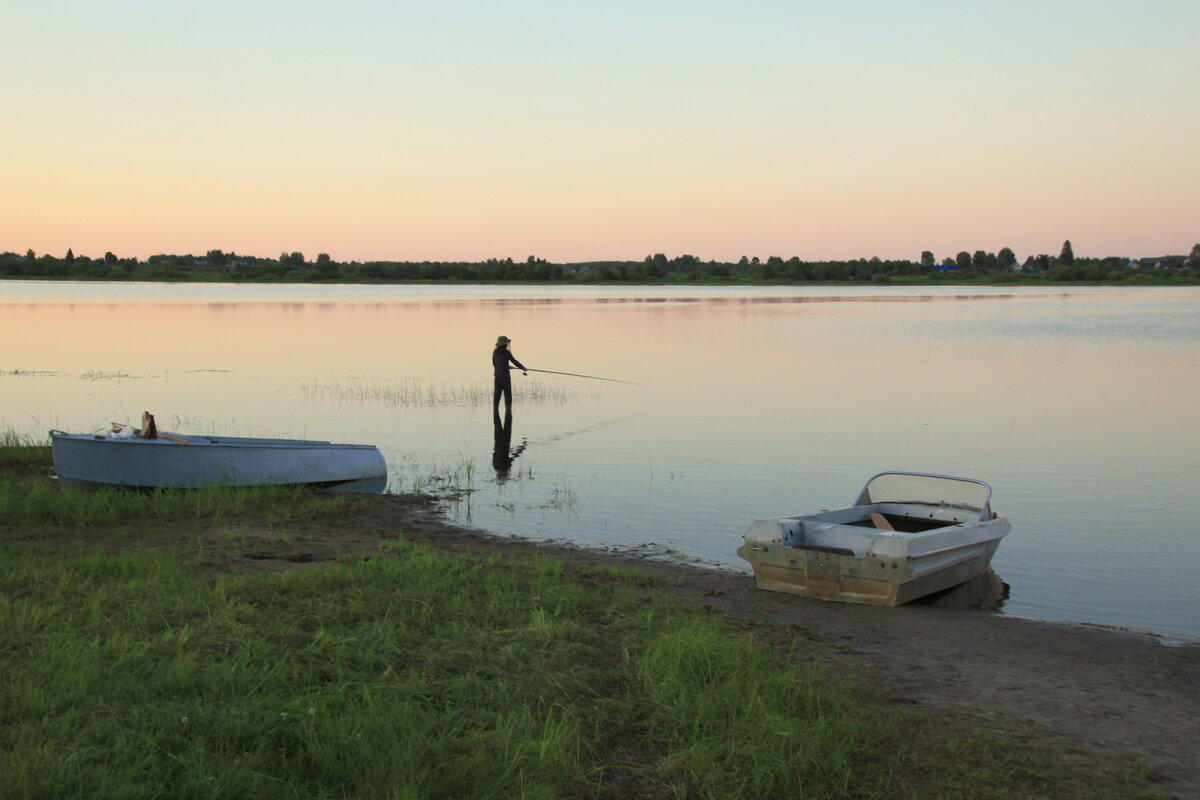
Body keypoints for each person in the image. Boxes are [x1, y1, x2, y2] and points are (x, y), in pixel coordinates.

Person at [492, 335, 526, 414]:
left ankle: (495, 413)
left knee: (496, 396)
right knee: (507, 396)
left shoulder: (495, 352)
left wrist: (506, 366)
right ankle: (508, 413)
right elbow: (514, 361)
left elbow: (495, 364)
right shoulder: (506, 352)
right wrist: (522, 367)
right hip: (504, 377)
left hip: (496, 377)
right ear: (505, 344)